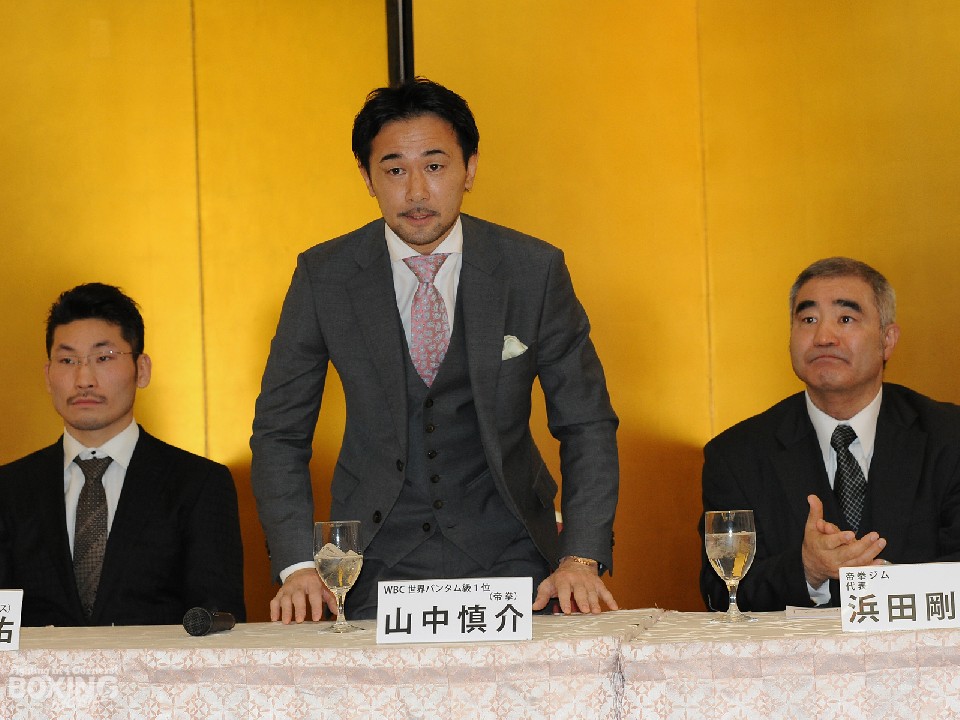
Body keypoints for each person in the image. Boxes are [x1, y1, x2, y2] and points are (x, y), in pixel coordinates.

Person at [251, 78, 619, 623]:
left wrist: (580, 558)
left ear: (470, 169)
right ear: (367, 178)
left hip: (512, 552)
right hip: (369, 560)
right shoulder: (324, 276)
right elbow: (280, 432)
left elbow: (586, 422)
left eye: (435, 165)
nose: (417, 192)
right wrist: (297, 566)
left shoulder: (532, 271)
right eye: (395, 170)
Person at [700, 257, 960, 612]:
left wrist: (886, 587)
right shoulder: (736, 456)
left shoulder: (949, 438)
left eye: (846, 319)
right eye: (808, 320)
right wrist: (807, 570)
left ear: (887, 340)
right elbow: (720, 592)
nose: (823, 337)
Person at [0, 283, 246, 626]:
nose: (84, 379)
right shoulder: (10, 489)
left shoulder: (199, 484)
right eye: (67, 360)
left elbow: (219, 619)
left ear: (141, 369)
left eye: (103, 358)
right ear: (48, 375)